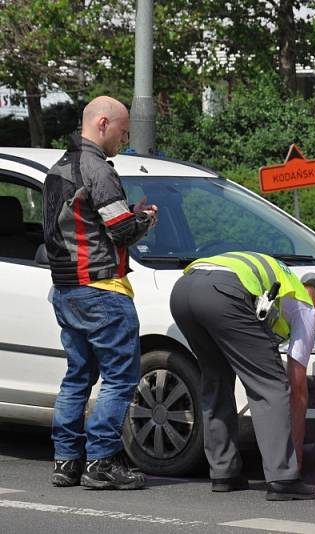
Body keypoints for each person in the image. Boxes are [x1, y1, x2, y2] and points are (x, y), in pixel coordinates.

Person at [43, 96, 158, 489]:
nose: (124, 140)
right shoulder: (97, 169)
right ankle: (102, 461)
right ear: (103, 123)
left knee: (77, 376)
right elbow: (121, 230)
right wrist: (144, 219)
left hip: (66, 290)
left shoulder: (57, 168)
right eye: (123, 132)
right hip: (102, 288)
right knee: (120, 378)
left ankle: (66, 461)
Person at [169, 252, 315, 500]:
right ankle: (283, 479)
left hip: (183, 291)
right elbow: (297, 389)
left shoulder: (281, 284)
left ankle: (224, 472)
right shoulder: (305, 307)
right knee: (272, 386)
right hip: (223, 293)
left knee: (216, 380)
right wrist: (295, 462)